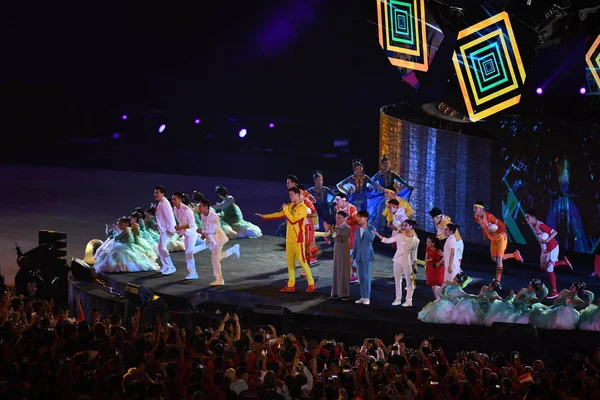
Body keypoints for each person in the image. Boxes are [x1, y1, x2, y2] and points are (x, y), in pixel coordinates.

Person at [255, 187, 317, 293]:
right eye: (289, 195)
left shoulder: (303, 208)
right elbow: (280, 214)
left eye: (292, 194)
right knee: (290, 263)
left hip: (298, 240)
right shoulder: (291, 206)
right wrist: (265, 216)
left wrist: (285, 210)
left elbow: (292, 220)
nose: (290, 196)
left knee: (302, 262)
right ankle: (291, 285)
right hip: (289, 239)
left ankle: (311, 284)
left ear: (298, 195)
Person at [525, 209, 573, 299]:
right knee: (543, 267)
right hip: (544, 249)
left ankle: (554, 291)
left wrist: (546, 240)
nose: (526, 219)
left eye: (527, 217)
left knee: (549, 269)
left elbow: (555, 232)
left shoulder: (541, 225)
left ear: (533, 218)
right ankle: (563, 262)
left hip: (552, 248)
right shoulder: (531, 224)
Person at [473, 201, 523, 282]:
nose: (474, 210)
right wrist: (485, 233)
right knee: (494, 259)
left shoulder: (490, 217)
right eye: (474, 208)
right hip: (493, 240)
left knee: (499, 260)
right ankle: (514, 255)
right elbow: (483, 226)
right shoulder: (476, 217)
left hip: (500, 238)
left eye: (476, 208)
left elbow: (503, 226)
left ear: (482, 210)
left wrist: (495, 231)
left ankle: (497, 282)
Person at [374, 219, 420, 307]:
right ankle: (397, 299)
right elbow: (388, 240)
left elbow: (414, 254)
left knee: (409, 282)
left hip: (407, 261)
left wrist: (415, 264)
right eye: (403, 225)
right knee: (397, 280)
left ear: (411, 226)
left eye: (406, 225)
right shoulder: (399, 235)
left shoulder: (415, 240)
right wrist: (378, 234)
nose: (403, 227)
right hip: (397, 260)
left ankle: (408, 300)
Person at [197, 199, 240, 286]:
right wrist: (204, 235)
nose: (199, 208)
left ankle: (219, 279)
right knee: (218, 258)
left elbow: (213, 230)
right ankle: (233, 250)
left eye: (200, 206)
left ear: (206, 207)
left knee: (215, 260)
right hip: (212, 240)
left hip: (218, 239)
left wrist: (202, 231)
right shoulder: (202, 215)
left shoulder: (214, 216)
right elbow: (206, 227)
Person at [369, 155, 412, 230]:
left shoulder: (393, 174)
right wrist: (375, 187)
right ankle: (381, 227)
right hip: (383, 195)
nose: (387, 165)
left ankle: (396, 226)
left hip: (392, 195)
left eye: (388, 163)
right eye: (385, 163)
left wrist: (408, 186)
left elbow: (401, 181)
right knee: (380, 207)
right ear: (382, 165)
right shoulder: (379, 174)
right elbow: (370, 182)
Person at [323, 211, 352, 300]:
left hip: (343, 252)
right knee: (336, 271)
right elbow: (331, 238)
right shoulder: (337, 227)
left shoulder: (347, 228)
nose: (338, 220)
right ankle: (336, 292)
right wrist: (327, 231)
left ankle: (344, 293)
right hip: (337, 252)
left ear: (345, 218)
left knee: (343, 272)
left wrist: (332, 231)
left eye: (340, 218)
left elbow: (340, 238)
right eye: (337, 218)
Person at [173, 192, 202, 280]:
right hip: (186, 233)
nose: (173, 201)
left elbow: (191, 224)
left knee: (188, 253)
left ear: (180, 199)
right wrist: (180, 231)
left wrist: (179, 228)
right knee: (188, 253)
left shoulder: (187, 210)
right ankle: (193, 273)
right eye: (173, 199)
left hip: (192, 232)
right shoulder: (175, 208)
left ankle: (193, 273)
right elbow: (180, 222)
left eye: (175, 199)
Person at [351, 210, 376, 305]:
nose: (358, 219)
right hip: (359, 256)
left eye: (360, 217)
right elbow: (356, 244)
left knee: (366, 277)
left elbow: (371, 239)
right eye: (358, 217)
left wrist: (365, 229)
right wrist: (352, 256)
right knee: (361, 277)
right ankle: (362, 296)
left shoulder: (371, 228)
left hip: (367, 255)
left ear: (365, 218)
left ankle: (367, 297)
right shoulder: (357, 230)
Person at [154, 185, 178, 275]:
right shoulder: (161, 202)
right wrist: (158, 225)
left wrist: (170, 229)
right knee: (160, 248)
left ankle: (171, 267)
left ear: (162, 193)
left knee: (162, 248)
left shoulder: (164, 203)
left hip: (168, 230)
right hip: (164, 229)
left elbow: (169, 217)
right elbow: (162, 217)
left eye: (157, 193)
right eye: (155, 192)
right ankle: (165, 266)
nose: (155, 194)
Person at [424, 235, 444, 299]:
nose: (427, 243)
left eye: (428, 242)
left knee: (436, 285)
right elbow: (426, 259)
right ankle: (438, 298)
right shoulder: (427, 249)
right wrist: (428, 260)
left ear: (433, 243)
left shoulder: (438, 251)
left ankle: (438, 299)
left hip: (437, 268)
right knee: (433, 285)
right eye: (427, 242)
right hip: (430, 268)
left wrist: (438, 262)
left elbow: (445, 256)